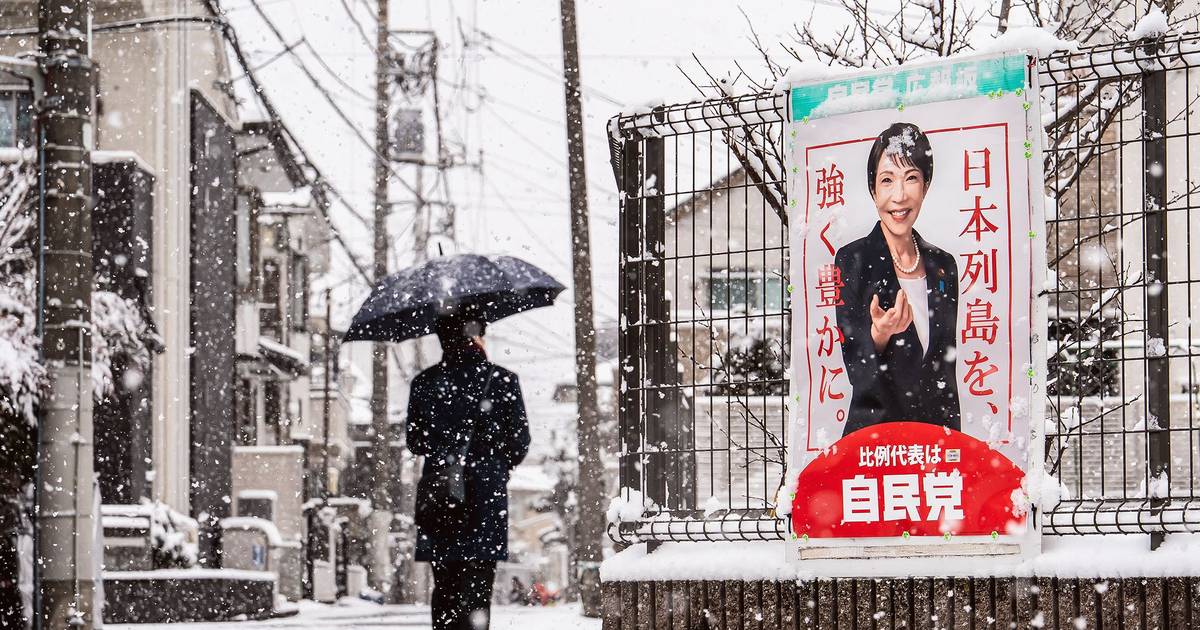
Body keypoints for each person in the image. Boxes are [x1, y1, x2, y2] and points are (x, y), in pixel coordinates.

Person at [833, 122, 961, 437]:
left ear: (926, 186)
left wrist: (953, 441)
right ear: (873, 190)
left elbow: (945, 369)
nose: (899, 195)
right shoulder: (853, 260)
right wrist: (878, 334)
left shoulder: (943, 265)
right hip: (876, 440)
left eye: (911, 178)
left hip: (935, 441)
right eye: (887, 180)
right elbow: (856, 367)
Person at [407, 313, 531, 630]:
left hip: (441, 497)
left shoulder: (424, 383)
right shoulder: (502, 380)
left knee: (445, 587)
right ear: (476, 336)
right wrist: (494, 460)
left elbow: (416, 442)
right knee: (477, 589)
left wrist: (446, 448)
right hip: (485, 499)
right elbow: (520, 443)